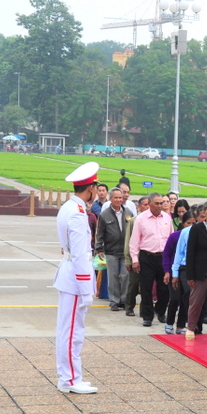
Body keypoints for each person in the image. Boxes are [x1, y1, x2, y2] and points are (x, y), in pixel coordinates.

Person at [54, 162, 100, 394]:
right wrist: (86, 289)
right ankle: (70, 379)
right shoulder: (79, 214)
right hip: (75, 278)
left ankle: (70, 376)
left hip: (69, 273)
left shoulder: (68, 207)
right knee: (72, 332)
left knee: (69, 330)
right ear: (91, 188)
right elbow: (82, 255)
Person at [174, 200, 207, 344]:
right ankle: (190, 327)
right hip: (200, 271)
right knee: (196, 301)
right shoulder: (197, 229)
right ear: (204, 212)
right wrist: (190, 275)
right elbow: (190, 253)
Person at [129, 193, 174, 327]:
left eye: (161, 203)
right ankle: (147, 316)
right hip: (147, 256)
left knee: (164, 288)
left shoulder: (167, 218)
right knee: (146, 288)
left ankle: (160, 312)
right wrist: (135, 259)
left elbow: (171, 239)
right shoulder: (141, 219)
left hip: (163, 257)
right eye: (157, 203)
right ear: (149, 203)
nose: (160, 206)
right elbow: (134, 241)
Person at [95, 187, 130, 312]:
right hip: (111, 251)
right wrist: (99, 248)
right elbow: (99, 233)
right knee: (113, 276)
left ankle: (124, 300)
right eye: (116, 197)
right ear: (110, 199)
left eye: (120, 197)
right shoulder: (104, 215)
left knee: (126, 276)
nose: (119, 200)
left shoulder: (128, 213)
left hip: (125, 251)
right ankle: (114, 301)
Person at [163, 212, 193, 334]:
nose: (191, 226)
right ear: (182, 223)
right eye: (188, 223)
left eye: (194, 223)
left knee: (186, 297)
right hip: (174, 270)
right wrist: (167, 271)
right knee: (175, 298)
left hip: (188, 271)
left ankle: (180, 325)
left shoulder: (196, 237)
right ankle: (169, 322)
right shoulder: (175, 236)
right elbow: (167, 254)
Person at [122, 196, 149, 316]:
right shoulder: (133, 220)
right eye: (145, 205)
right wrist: (129, 259)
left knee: (146, 285)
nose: (147, 207)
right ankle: (129, 306)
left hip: (148, 257)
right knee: (133, 283)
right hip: (135, 257)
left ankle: (145, 309)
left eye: (149, 204)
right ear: (139, 207)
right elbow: (128, 240)